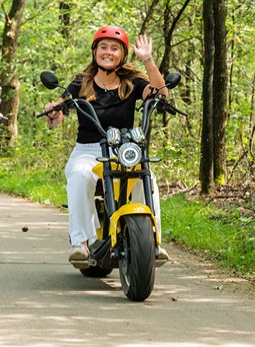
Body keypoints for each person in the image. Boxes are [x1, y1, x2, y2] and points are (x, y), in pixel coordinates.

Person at [43, 25, 170, 263]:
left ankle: (152, 242)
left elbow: (160, 95)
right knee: (80, 175)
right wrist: (53, 111)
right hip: (88, 150)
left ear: (122, 54)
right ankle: (80, 243)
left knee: (147, 177)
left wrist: (148, 61)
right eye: (103, 47)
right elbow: (59, 112)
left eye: (114, 48)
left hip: (124, 150)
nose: (108, 52)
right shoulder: (82, 81)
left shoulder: (132, 81)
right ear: (95, 51)